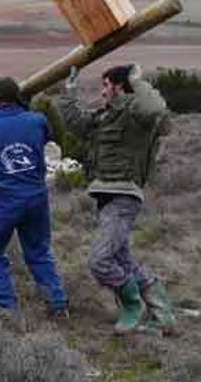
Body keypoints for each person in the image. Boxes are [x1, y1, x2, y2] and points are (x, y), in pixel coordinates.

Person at [58, 63, 176, 334]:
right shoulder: (105, 115)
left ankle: (132, 307)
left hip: (124, 195)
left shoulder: (137, 114)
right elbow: (75, 122)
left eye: (106, 86)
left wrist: (138, 81)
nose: (102, 93)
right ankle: (163, 313)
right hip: (106, 196)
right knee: (123, 260)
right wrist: (70, 90)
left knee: (100, 260)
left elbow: (155, 109)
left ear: (119, 87)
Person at [0, 77, 69, 319]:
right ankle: (57, 303)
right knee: (38, 250)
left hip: (5, 200)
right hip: (36, 196)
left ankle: (6, 304)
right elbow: (43, 138)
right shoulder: (37, 120)